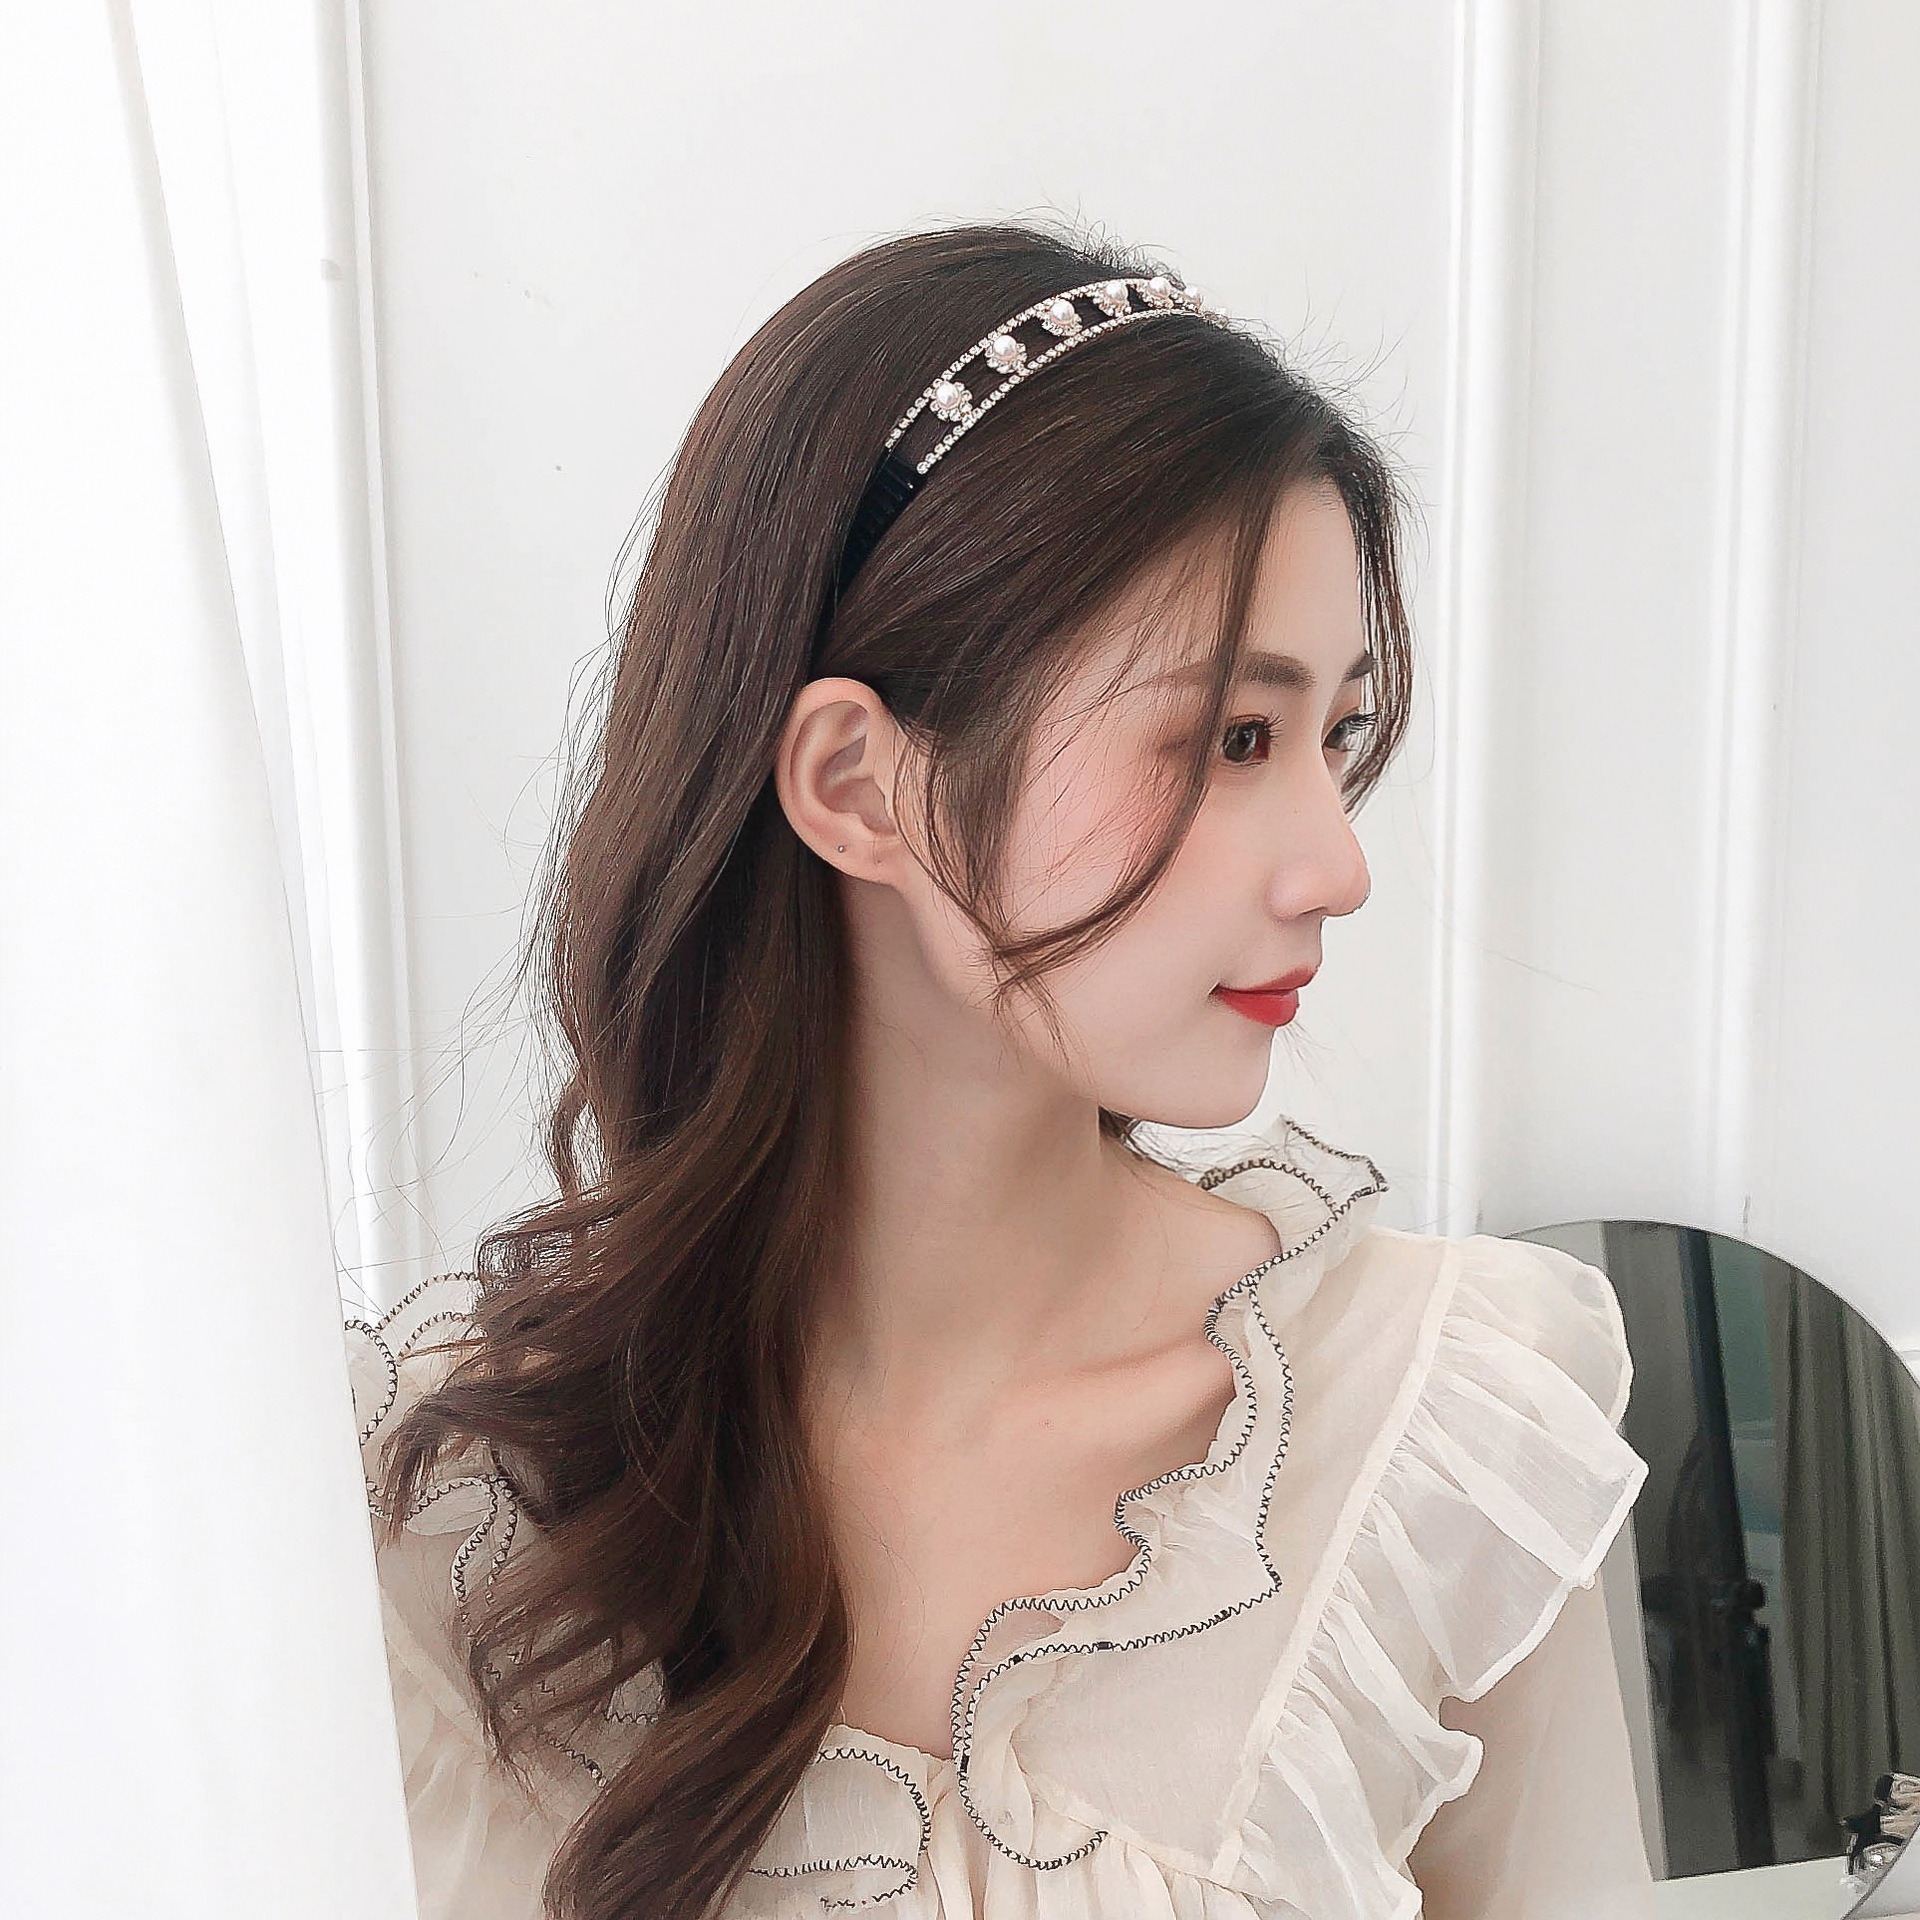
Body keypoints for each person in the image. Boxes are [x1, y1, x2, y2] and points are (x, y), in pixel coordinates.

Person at [350, 220, 1656, 1919]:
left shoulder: (1432, 1428)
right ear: (858, 784)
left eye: (1332, 738)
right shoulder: (441, 1497)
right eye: (1232, 737)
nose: (1338, 866)